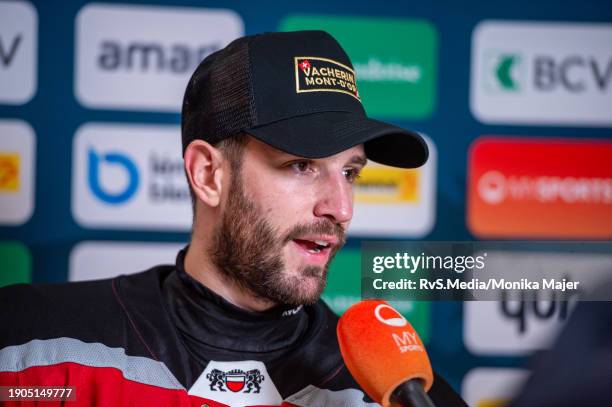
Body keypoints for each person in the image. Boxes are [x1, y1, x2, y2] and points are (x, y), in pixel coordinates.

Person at [0, 30, 465, 406]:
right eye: (302, 165)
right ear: (208, 175)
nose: (340, 208)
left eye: (350, 172)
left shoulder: (395, 396)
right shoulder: (30, 344)